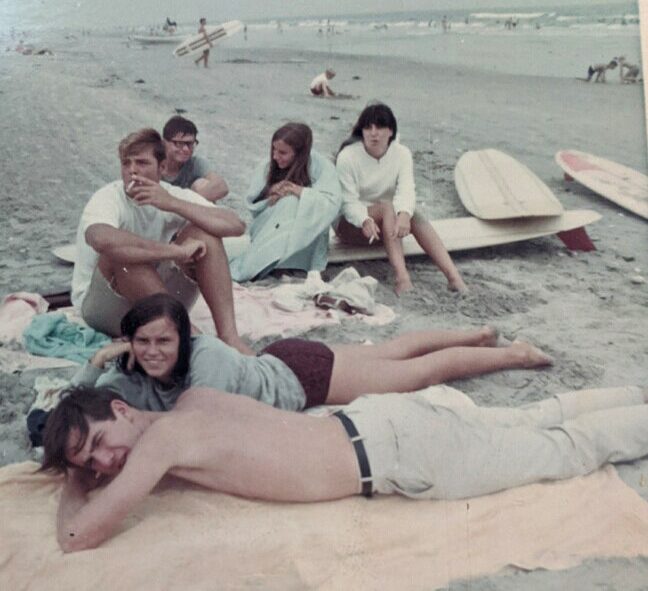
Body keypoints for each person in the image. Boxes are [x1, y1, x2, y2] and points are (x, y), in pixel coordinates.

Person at [43, 381, 648, 552]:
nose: (105, 461)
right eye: (90, 461)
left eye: (98, 441)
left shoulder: (161, 444)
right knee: (530, 417)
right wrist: (88, 457)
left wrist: (74, 477)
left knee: (565, 450)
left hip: (397, 454)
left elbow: (75, 537)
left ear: (124, 408)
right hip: (377, 419)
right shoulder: (195, 404)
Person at [68, 292, 551, 414]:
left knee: (418, 372)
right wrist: (98, 363)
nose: (153, 353)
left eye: (163, 341)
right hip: (285, 358)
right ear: (129, 342)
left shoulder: (207, 356)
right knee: (391, 350)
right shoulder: (130, 371)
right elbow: (75, 405)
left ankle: (514, 354)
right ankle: (478, 332)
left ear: (183, 338)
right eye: (143, 342)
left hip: (303, 379)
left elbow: (195, 421)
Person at [70, 128, 251, 355]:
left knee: (205, 234)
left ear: (163, 168)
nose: (132, 171)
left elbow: (236, 225)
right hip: (105, 307)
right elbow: (100, 239)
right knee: (124, 254)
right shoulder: (109, 196)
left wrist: (173, 204)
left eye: (142, 163)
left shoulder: (170, 194)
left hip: (156, 299)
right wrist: (173, 252)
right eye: (127, 164)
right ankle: (191, 337)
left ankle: (229, 337)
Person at [335, 103, 467, 294]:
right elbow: (347, 203)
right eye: (368, 127)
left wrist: (404, 214)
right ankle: (402, 279)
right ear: (361, 130)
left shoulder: (402, 154)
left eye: (380, 127)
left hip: (386, 228)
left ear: (391, 131)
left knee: (414, 215)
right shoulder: (348, 157)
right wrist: (364, 220)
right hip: (352, 227)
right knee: (388, 207)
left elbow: (406, 189)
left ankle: (454, 278)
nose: (373, 133)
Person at [229, 123, 342, 281]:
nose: (275, 157)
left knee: (292, 202)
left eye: (283, 153)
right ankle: (268, 262)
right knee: (287, 202)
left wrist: (298, 191)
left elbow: (331, 203)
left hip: (308, 232)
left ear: (299, 153)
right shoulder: (268, 165)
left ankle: (291, 262)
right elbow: (253, 204)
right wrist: (272, 191)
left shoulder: (323, 167)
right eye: (274, 150)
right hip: (270, 225)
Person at [161, 116, 228, 202]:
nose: (186, 149)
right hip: (155, 209)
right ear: (164, 143)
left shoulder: (195, 163)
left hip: (185, 210)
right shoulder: (154, 162)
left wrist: (182, 206)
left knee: (202, 184)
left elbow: (221, 186)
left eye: (190, 144)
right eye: (178, 143)